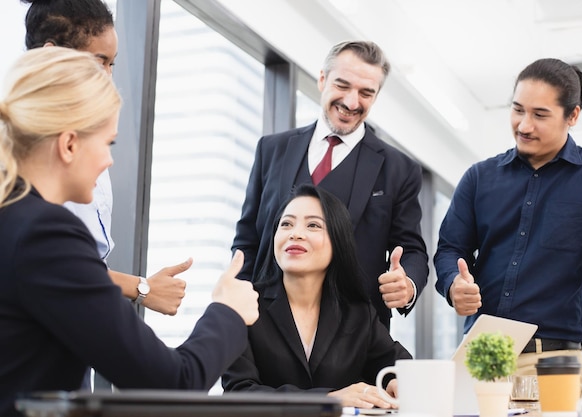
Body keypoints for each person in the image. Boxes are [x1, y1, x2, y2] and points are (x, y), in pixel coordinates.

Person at [0, 46, 259, 417]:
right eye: (108, 143)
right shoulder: (46, 234)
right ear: (69, 143)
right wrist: (228, 311)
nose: (108, 160)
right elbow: (172, 384)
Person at [434, 58, 582, 410]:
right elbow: (449, 249)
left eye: (540, 115)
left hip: (549, 365)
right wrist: (452, 284)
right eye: (518, 110)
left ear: (572, 116)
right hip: (481, 356)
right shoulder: (479, 178)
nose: (524, 125)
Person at [232, 40, 429, 329]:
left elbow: (412, 248)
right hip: (267, 324)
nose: (351, 102)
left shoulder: (399, 168)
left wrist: (407, 284)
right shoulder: (272, 150)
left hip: (354, 333)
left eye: (366, 93)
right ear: (322, 79)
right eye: (342, 85)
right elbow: (248, 238)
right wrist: (237, 306)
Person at [22, 0, 187, 315]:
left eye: (112, 64)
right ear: (51, 55)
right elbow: (53, 263)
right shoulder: (24, 151)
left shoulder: (86, 141)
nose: (108, 77)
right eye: (100, 61)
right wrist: (142, 288)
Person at [222, 184, 411, 409]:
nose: (295, 233)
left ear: (337, 240)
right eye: (286, 224)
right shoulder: (244, 304)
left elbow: (398, 363)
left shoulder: (357, 312)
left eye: (313, 225)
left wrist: (397, 380)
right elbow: (238, 393)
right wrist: (326, 401)